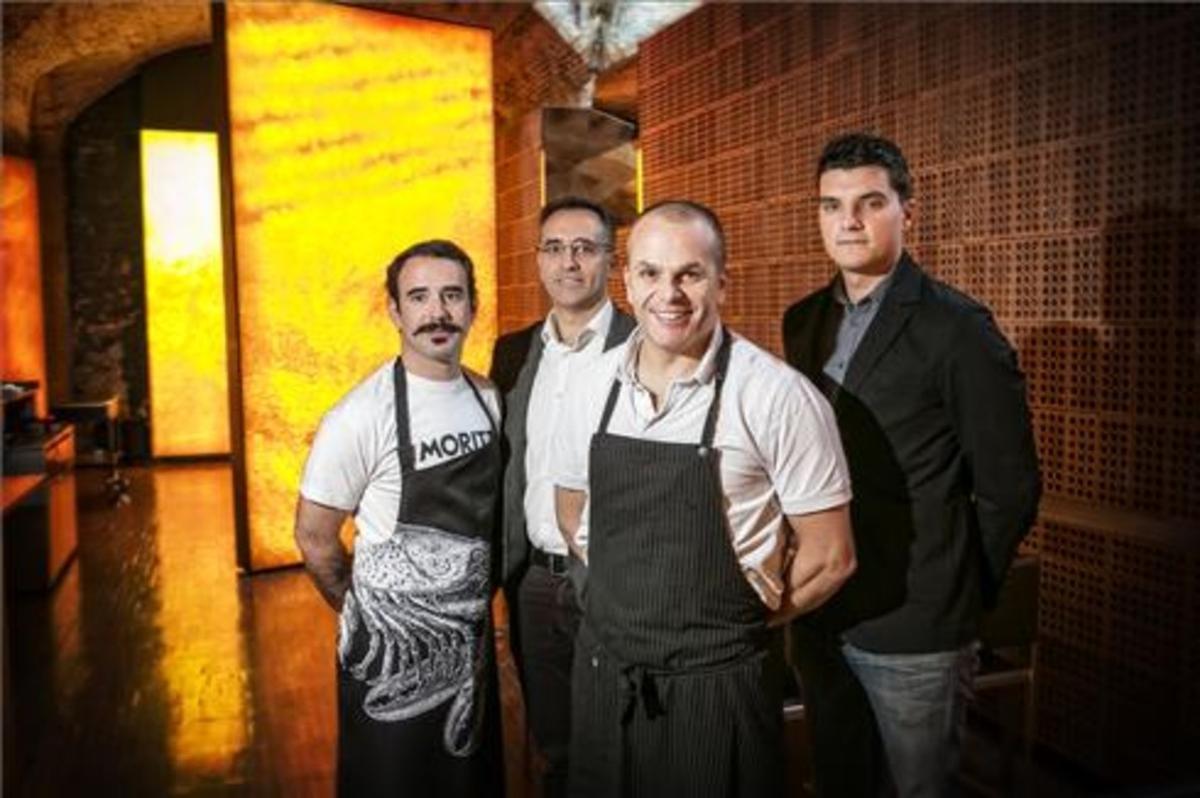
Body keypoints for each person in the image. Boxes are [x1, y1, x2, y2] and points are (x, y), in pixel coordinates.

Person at [553, 200, 857, 797]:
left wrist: (733, 621)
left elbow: (831, 557)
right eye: (650, 273)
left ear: (721, 281)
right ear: (628, 280)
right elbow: (571, 510)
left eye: (689, 274)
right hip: (605, 672)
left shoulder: (776, 397)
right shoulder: (591, 387)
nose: (669, 293)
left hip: (718, 686)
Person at [782, 133, 1041, 797]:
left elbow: (1010, 488)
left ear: (907, 211)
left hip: (918, 624)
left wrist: (959, 596)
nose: (848, 220)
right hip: (820, 611)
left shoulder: (957, 328)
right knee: (841, 782)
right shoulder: (803, 320)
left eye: (870, 202)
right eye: (831, 205)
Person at [294, 240, 504, 797]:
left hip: (471, 645)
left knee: (468, 774)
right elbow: (314, 537)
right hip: (390, 657)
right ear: (394, 310)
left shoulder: (488, 397)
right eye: (419, 297)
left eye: (451, 295)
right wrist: (368, 610)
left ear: (473, 306)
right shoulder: (360, 415)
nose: (437, 312)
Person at [489, 197, 634, 797]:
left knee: (624, 738)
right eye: (554, 248)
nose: (568, 262)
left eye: (584, 248)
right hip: (533, 582)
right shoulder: (514, 351)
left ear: (610, 259)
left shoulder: (642, 344)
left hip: (612, 577)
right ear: (539, 260)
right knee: (554, 745)